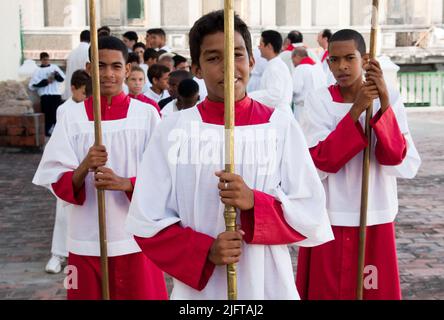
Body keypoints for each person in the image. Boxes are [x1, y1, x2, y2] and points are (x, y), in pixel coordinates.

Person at [125, 10, 333, 300]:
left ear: (250, 60)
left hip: (268, 284)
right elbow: (146, 218)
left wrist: (255, 204)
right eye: (213, 58)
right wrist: (205, 250)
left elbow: (310, 210)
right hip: (200, 292)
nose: (227, 67)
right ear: (196, 68)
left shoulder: (279, 126)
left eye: (236, 54)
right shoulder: (174, 130)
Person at [32, 36, 167, 300]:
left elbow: (165, 176)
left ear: (127, 70)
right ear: (89, 68)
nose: (108, 74)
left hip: (135, 238)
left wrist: (126, 183)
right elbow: (54, 176)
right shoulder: (70, 115)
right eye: (101, 66)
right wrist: (84, 167)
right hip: (86, 239)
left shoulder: (147, 115)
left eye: (116, 67)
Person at [297, 29, 421, 300]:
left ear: (364, 59)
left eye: (349, 58)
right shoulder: (319, 100)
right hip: (330, 214)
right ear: (327, 61)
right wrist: (356, 111)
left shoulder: (389, 98)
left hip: (373, 213)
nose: (341, 66)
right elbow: (321, 159)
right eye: (334, 59)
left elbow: (394, 156)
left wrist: (383, 102)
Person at [45, 70, 92, 274]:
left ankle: (78, 254)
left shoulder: (90, 108)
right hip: (71, 168)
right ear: (73, 89)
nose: (84, 97)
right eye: (82, 93)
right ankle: (58, 254)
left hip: (89, 168)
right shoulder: (65, 110)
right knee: (63, 216)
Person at [249, 30, 293, 115]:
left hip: (278, 114)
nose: (258, 47)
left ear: (269, 46)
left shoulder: (275, 67)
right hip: (277, 112)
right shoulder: (275, 64)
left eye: (261, 44)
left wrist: (249, 97)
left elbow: (274, 94)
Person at [29, 52, 65, 136]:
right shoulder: (37, 71)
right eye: (44, 59)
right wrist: (46, 82)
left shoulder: (54, 68)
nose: (46, 61)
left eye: (47, 59)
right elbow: (33, 85)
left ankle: (58, 132)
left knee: (57, 114)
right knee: (47, 115)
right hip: (45, 95)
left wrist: (56, 75)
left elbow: (62, 79)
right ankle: (47, 132)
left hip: (55, 94)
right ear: (41, 60)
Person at [291, 47, 326, 121]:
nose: (292, 62)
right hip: (318, 107)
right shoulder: (318, 67)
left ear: (296, 56)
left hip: (303, 108)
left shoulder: (300, 68)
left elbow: (295, 89)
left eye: (292, 59)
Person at [63, 30, 90, 100]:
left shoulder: (71, 53)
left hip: (70, 92)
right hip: (83, 94)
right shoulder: (89, 52)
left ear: (80, 39)